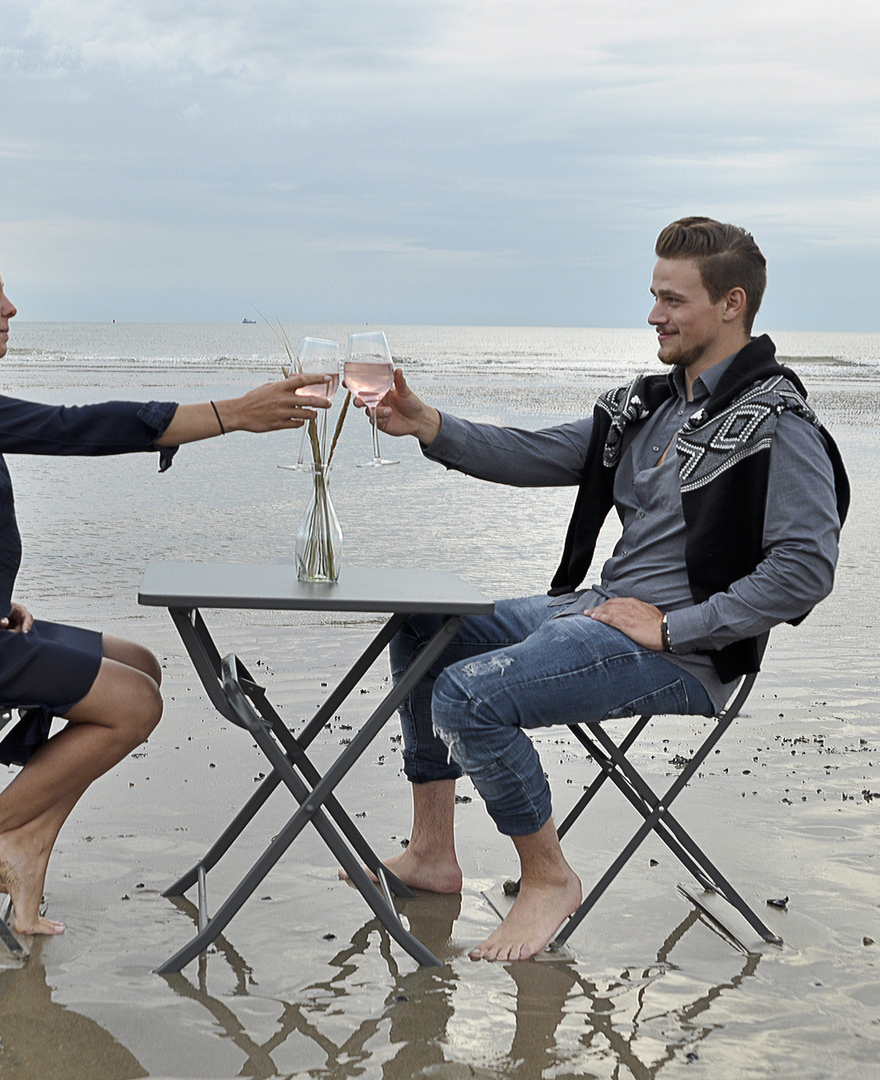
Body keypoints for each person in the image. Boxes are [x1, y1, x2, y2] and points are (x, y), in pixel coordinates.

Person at [363, 217, 850, 961]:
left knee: (468, 693)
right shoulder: (648, 408)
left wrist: (680, 628)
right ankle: (432, 854)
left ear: (731, 304)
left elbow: (804, 570)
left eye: (672, 300)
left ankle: (548, 878)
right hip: (595, 611)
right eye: (653, 296)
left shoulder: (778, 425)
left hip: (679, 652)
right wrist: (429, 424)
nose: (653, 315)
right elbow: (533, 452)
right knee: (423, 627)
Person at [0, 232, 327, 935]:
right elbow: (65, 429)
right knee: (132, 705)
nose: (11, 307)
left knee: (138, 664)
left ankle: (28, 845)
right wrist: (229, 415)